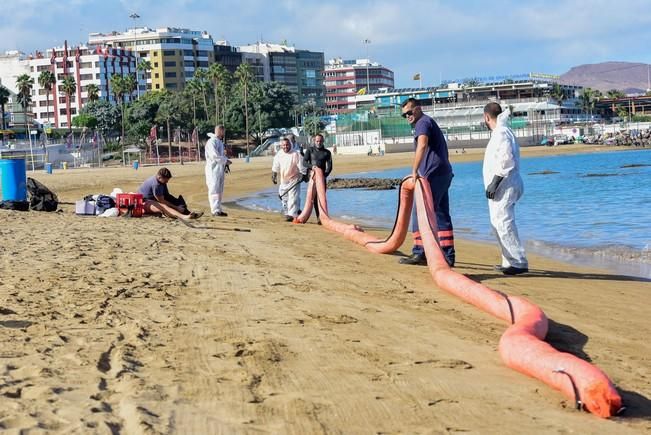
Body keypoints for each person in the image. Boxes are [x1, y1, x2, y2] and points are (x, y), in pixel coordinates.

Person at [399, 98, 455, 267]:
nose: (408, 116)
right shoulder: (428, 122)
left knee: (420, 212)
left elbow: (422, 145)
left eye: (409, 112)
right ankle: (448, 255)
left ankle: (419, 251)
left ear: (418, 109)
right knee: (441, 214)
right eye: (404, 115)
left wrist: (414, 170)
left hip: (432, 175)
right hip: (444, 173)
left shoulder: (422, 123)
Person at [482, 102, 528, 275]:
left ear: (486, 117)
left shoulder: (501, 133)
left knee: (503, 222)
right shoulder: (501, 132)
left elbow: (506, 160)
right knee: (498, 223)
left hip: (505, 185)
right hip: (504, 184)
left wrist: (495, 182)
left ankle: (518, 261)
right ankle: (509, 260)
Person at [138, 167, 202, 220]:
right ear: (160, 177)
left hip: (153, 200)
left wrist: (178, 203)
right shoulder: (156, 184)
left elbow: (167, 196)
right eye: (166, 180)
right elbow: (161, 201)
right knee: (163, 206)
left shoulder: (161, 182)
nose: (167, 182)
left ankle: (188, 213)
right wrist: (177, 208)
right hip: (143, 203)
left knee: (174, 201)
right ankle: (184, 217)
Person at [272, 137, 306, 221]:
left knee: (293, 198)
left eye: (287, 145)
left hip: (294, 179)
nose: (285, 146)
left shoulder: (296, 154)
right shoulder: (279, 154)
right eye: (283, 145)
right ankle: (291, 212)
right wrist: (274, 175)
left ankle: (292, 215)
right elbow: (275, 166)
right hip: (284, 180)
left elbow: (301, 167)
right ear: (281, 146)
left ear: (290, 144)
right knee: (283, 196)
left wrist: (303, 175)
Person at [303, 133, 332, 224]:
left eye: (320, 141)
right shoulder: (310, 150)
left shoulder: (327, 152)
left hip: (322, 178)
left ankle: (322, 216)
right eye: (317, 141)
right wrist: (312, 167)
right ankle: (318, 216)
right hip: (312, 177)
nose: (319, 142)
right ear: (314, 141)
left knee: (321, 197)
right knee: (313, 198)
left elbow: (329, 167)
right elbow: (304, 162)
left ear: (323, 141)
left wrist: (324, 176)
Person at [205, 125, 231, 217]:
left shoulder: (219, 142)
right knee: (214, 189)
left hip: (219, 169)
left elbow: (221, 155)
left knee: (219, 190)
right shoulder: (212, 142)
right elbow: (214, 156)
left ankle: (218, 209)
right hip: (213, 170)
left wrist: (225, 162)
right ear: (220, 131)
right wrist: (225, 161)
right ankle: (214, 210)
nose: (224, 133)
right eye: (223, 131)